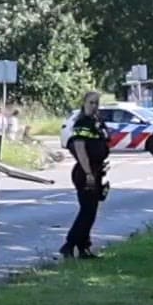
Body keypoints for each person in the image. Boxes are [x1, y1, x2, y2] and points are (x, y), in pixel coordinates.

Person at [61, 90, 110, 259]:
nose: (94, 106)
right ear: (84, 103)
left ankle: (83, 248)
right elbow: (80, 149)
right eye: (91, 102)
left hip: (97, 170)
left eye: (97, 102)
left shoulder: (95, 122)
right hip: (85, 171)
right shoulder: (82, 122)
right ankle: (69, 245)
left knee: (91, 211)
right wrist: (88, 173)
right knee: (87, 211)